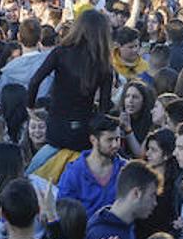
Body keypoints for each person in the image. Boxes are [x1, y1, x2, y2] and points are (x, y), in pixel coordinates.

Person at [25, 9, 116, 169]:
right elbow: (104, 107)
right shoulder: (104, 65)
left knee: (34, 168)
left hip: (56, 130)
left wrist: (30, 107)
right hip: (82, 132)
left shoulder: (60, 52)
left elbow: (35, 81)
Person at [55, 114, 126, 220]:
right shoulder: (74, 172)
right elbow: (64, 212)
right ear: (93, 140)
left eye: (117, 139)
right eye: (109, 140)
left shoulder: (125, 169)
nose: (115, 145)